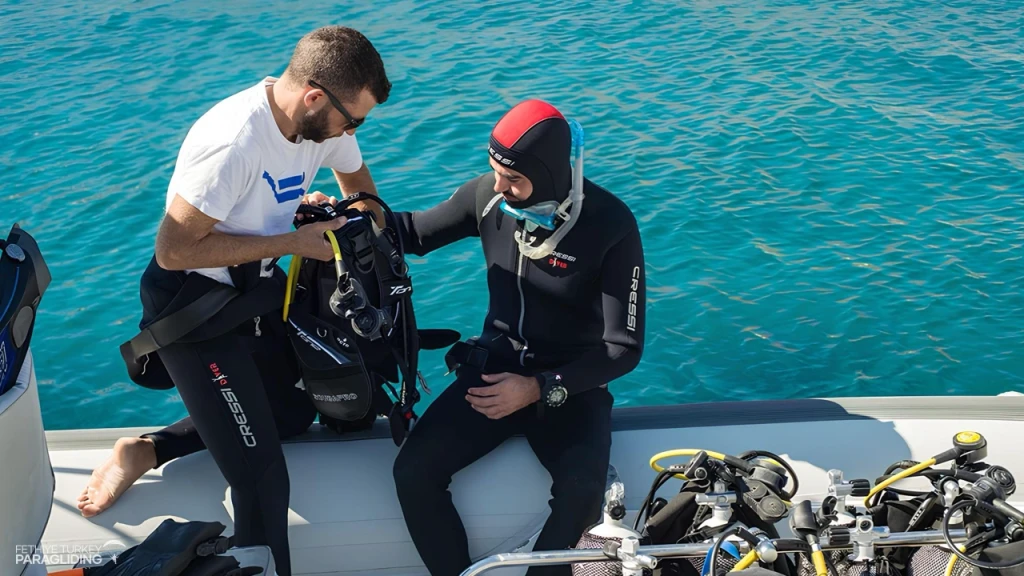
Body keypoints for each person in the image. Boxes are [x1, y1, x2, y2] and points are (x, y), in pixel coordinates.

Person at [77, 25, 392, 576]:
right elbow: (174, 250)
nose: (353, 131)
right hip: (192, 307)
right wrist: (292, 241)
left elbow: (362, 196)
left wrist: (339, 213)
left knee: (295, 409)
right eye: (353, 119)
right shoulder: (233, 141)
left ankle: (148, 449)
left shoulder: (323, 125)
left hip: (251, 292)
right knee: (261, 475)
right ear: (315, 97)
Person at [391, 99, 647, 576]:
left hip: (569, 384)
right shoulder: (487, 196)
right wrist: (345, 216)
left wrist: (537, 388)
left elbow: (623, 348)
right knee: (413, 472)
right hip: (493, 368)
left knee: (582, 495)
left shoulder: (609, 226)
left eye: (514, 179)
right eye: (494, 172)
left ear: (550, 173)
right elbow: (412, 233)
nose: (500, 187)